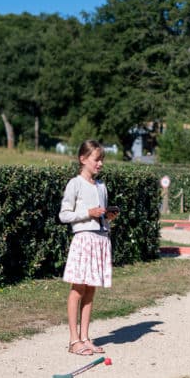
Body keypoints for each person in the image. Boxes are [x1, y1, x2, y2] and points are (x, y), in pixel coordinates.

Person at [59, 140, 118, 356]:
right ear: (83, 159)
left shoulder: (101, 186)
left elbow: (100, 215)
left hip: (100, 239)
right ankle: (74, 340)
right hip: (84, 239)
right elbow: (64, 215)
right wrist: (88, 213)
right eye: (96, 159)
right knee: (78, 289)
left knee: (91, 289)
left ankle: (85, 337)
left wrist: (107, 217)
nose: (100, 163)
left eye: (102, 159)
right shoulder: (74, 184)